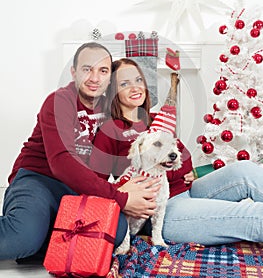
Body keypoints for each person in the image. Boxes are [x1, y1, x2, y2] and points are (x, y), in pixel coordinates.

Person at [0, 43, 161, 262]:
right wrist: (120, 197)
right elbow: (62, 162)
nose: (95, 78)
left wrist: (173, 173)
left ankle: (44, 237)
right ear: (74, 72)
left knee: (117, 230)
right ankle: (34, 236)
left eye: (103, 71)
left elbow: (122, 159)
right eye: (87, 69)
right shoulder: (59, 101)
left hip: (81, 190)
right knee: (21, 238)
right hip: (39, 180)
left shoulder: (111, 107)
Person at [89, 57, 263, 246]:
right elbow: (93, 184)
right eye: (124, 83)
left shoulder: (156, 120)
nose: (135, 87)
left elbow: (185, 158)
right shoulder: (110, 130)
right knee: (251, 216)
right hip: (165, 210)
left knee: (244, 170)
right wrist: (122, 192)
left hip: (189, 189)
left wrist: (170, 168)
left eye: (139, 80)